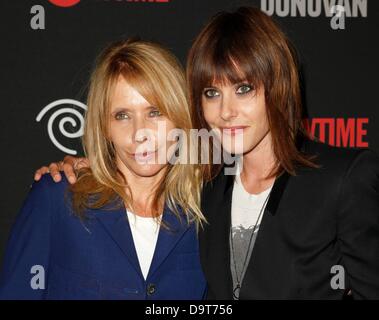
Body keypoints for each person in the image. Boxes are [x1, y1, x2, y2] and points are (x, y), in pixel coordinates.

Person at [34, 7, 379, 299]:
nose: (226, 111)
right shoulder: (206, 187)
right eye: (212, 93)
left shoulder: (342, 179)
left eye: (244, 89)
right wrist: (92, 166)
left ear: (278, 87)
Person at [0, 39, 207, 299]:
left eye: (154, 112)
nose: (139, 133)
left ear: (179, 116)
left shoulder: (204, 213)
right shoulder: (58, 197)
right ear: (105, 128)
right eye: (122, 115)